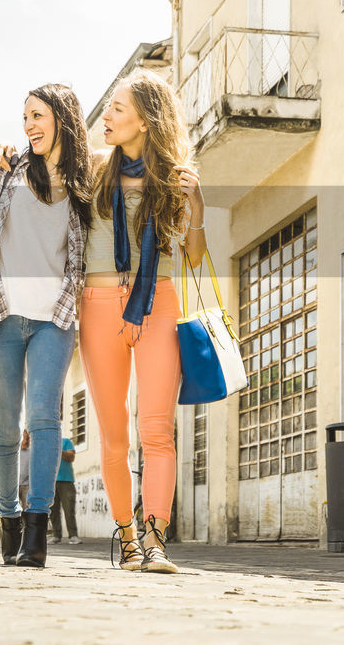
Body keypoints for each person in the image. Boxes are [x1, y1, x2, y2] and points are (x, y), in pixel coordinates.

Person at [80, 69, 206, 574]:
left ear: (146, 121)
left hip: (160, 301)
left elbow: (194, 257)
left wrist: (195, 203)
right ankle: (127, 537)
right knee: (114, 433)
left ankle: (155, 535)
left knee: (156, 430)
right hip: (100, 305)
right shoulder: (93, 171)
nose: (106, 116)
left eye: (117, 108)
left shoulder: (176, 178)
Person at [0, 83, 91, 568]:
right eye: (25, 118)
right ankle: (9, 520)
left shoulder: (85, 182)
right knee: (5, 429)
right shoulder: (7, 170)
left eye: (38, 116)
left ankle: (37, 533)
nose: (29, 126)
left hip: (55, 317)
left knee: (44, 421)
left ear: (63, 118)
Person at [49, 437, 79, 545]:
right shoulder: (46, 443)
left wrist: (57, 450)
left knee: (69, 509)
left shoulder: (66, 441)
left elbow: (71, 457)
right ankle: (56, 535)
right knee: (53, 510)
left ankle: (73, 535)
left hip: (66, 480)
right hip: (50, 481)